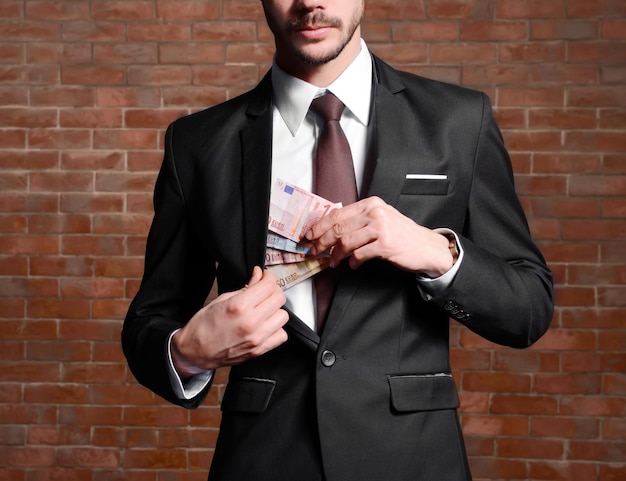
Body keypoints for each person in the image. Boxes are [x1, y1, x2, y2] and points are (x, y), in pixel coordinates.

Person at [122, 1, 554, 480]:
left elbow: (528, 308)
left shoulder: (457, 119)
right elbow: (149, 319)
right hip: (262, 458)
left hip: (414, 457)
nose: (311, 2)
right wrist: (185, 351)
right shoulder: (198, 142)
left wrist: (437, 252)